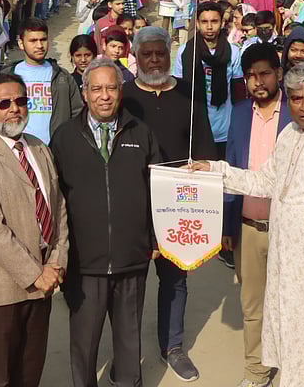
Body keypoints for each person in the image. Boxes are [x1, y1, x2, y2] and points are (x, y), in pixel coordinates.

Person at [194, 62, 304, 387]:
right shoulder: (290, 134)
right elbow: (265, 181)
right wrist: (216, 171)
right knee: (291, 357)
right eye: (297, 99)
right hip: (287, 274)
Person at [50, 58, 160, 387]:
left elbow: (158, 189)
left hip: (131, 257)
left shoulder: (141, 133)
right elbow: (56, 199)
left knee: (129, 337)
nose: (104, 96)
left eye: (111, 87)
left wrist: (154, 237)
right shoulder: (65, 136)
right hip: (85, 262)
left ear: (120, 91)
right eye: (96, 88)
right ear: (84, 94)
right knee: (84, 343)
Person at [0, 73, 68, 387]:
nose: (14, 109)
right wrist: (35, 274)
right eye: (4, 103)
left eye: (20, 101)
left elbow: (57, 208)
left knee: (30, 371)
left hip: (43, 279)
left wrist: (56, 261)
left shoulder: (39, 148)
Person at [118, 25, 214, 379]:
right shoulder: (124, 96)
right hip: (133, 205)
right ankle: (127, 356)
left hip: (179, 206)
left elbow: (204, 148)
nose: (155, 60)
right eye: (148, 54)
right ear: (136, 57)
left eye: (161, 53)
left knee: (175, 281)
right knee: (130, 284)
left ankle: (172, 346)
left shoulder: (189, 94)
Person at [221, 42, 290, 387]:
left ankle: (293, 368)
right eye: (250, 75)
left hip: (289, 230)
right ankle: (257, 370)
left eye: (264, 73)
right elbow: (233, 167)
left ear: (278, 74)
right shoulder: (239, 112)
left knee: (290, 303)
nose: (258, 81)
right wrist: (227, 225)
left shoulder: (296, 113)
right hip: (248, 227)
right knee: (252, 306)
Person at [174, 1, 243, 159]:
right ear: (197, 24)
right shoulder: (185, 52)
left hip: (224, 130)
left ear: (222, 23)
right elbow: (178, 92)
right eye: (204, 22)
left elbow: (239, 91)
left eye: (214, 21)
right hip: (195, 129)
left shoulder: (233, 52)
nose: (209, 27)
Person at [0, 17, 83, 145]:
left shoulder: (62, 77)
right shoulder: (7, 76)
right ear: (21, 44)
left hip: (54, 150)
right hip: (17, 150)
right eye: (33, 41)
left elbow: (77, 114)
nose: (39, 45)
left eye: (43, 40)